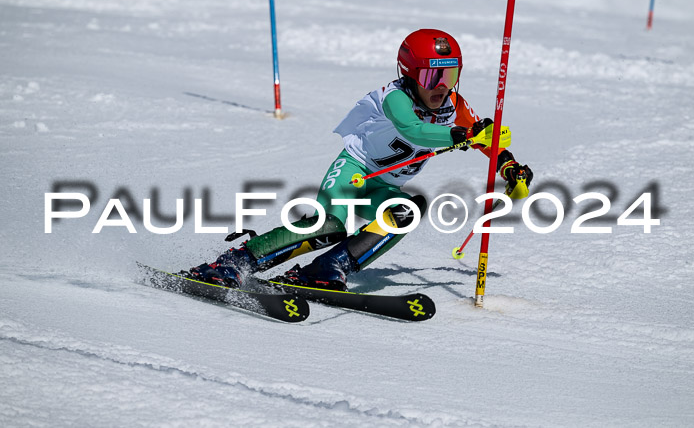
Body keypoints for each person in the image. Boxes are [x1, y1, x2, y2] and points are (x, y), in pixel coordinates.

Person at [187, 29, 533, 291]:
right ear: (410, 73)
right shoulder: (394, 97)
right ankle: (236, 262)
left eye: (450, 75)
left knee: (405, 211)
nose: (441, 86)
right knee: (329, 226)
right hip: (352, 174)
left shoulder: (452, 104)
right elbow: (413, 131)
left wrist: (508, 165)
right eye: (431, 76)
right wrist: (464, 136)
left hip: (382, 186)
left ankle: (326, 269)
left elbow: (483, 136)